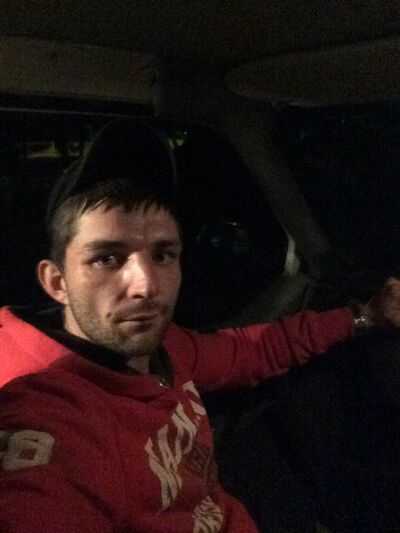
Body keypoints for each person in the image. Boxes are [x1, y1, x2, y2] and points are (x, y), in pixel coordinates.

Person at [1, 119, 400, 533]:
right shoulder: (43, 410)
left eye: (162, 255)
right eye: (107, 258)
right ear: (56, 282)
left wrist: (366, 315)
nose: (146, 286)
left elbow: (251, 351)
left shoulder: (160, 347)